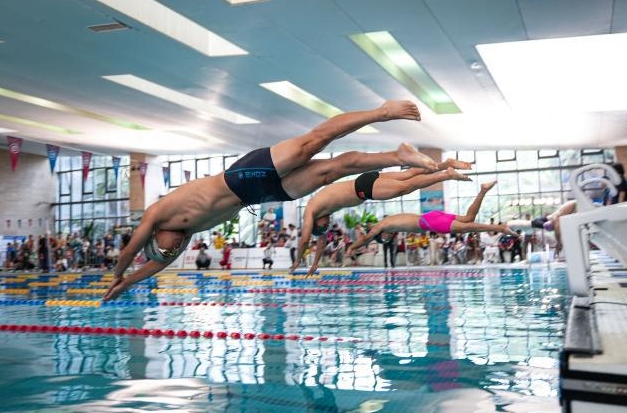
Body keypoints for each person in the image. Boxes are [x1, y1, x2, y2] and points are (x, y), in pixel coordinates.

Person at [103, 100, 437, 301]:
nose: (171, 250)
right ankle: (397, 155)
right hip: (262, 195)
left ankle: (382, 111)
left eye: (165, 248)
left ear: (155, 238)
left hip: (242, 176)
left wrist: (118, 273)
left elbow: (132, 249)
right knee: (333, 171)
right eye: (170, 252)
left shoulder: (158, 213)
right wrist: (128, 283)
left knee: (313, 142)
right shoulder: (184, 236)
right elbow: (156, 264)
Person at [290, 160, 472, 275]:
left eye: (323, 226)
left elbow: (306, 238)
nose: (327, 224)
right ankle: (446, 164)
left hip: (363, 189)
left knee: (405, 186)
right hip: (365, 180)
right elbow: (321, 240)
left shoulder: (310, 211)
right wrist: (314, 264)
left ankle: (446, 174)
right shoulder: (321, 211)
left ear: (314, 223)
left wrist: (298, 261)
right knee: (408, 174)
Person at [347, 182, 517, 258]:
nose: (387, 239)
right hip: (431, 217)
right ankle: (483, 191)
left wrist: (351, 248)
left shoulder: (382, 225)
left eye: (384, 239)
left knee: (466, 227)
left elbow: (366, 238)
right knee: (468, 218)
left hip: (428, 223)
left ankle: (500, 228)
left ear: (382, 235)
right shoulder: (389, 225)